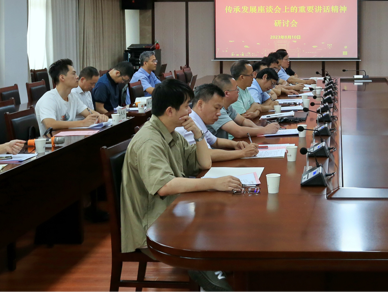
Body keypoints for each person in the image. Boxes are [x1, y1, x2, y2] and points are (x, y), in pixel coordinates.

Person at [119, 78, 239, 292]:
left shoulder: (171, 133)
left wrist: (198, 133)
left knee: (224, 219)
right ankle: (213, 279)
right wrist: (213, 183)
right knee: (212, 225)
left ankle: (223, 268)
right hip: (153, 226)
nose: (190, 111)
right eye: (186, 106)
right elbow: (165, 186)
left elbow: (203, 162)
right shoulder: (149, 141)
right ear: (170, 110)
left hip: (173, 211)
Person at [177, 84, 259, 162]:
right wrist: (242, 153)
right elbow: (206, 154)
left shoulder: (199, 120)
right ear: (200, 104)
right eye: (216, 108)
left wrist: (236, 144)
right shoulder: (188, 124)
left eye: (220, 109)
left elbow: (215, 141)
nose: (219, 113)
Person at [35, 58, 108, 134]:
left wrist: (100, 116)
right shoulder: (48, 99)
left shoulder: (72, 97)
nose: (77, 77)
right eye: (73, 74)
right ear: (62, 77)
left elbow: (88, 112)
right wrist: (82, 123)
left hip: (70, 138)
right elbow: (50, 124)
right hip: (53, 143)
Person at [209, 74, 279, 138]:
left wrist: (258, 128)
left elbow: (243, 120)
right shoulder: (218, 110)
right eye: (236, 89)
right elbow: (238, 131)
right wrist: (264, 130)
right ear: (227, 93)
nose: (238, 91)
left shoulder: (228, 107)